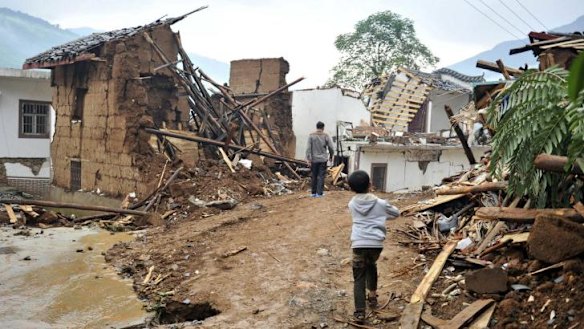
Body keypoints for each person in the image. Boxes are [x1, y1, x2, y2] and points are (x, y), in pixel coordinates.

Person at [347, 170, 400, 323]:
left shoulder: (352, 204)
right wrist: (382, 215)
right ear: (370, 184)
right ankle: (372, 296)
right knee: (371, 265)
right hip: (376, 245)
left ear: (351, 188)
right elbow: (396, 213)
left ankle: (359, 312)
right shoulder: (380, 203)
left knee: (358, 277)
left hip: (358, 243)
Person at [305, 121, 334, 197]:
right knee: (321, 176)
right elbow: (331, 147)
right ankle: (319, 193)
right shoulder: (326, 135)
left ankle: (313, 193)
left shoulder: (311, 136)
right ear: (323, 128)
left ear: (316, 127)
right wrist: (331, 156)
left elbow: (308, 148)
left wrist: (308, 159)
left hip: (314, 159)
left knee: (314, 175)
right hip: (323, 159)